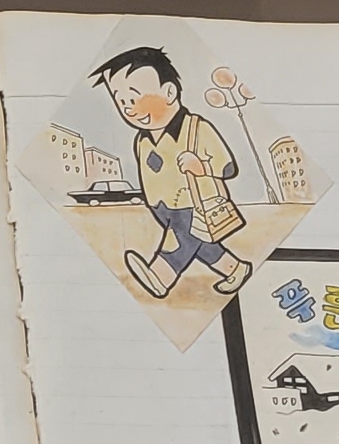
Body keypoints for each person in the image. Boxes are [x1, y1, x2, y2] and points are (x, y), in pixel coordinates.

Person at [91, 43, 252, 303]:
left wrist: (201, 167)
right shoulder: (142, 140)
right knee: (202, 245)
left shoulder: (196, 128)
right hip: (162, 206)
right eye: (121, 102)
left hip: (194, 202)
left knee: (179, 240)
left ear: (169, 92)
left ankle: (161, 276)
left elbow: (227, 166)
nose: (129, 108)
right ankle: (236, 268)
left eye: (134, 98)